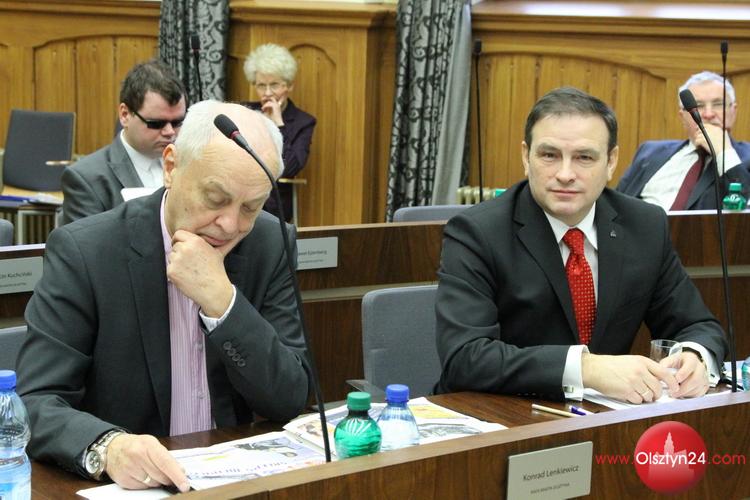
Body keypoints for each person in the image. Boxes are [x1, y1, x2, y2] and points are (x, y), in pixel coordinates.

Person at [16, 100, 311, 492]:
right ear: (171, 166)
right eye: (216, 198)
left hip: (227, 481)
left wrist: (223, 303)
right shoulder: (86, 252)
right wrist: (109, 447)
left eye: (251, 207)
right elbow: (36, 401)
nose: (230, 225)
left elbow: (289, 397)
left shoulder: (270, 243)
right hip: (131, 487)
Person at [434, 87, 727, 406]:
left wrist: (695, 356)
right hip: (501, 413)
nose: (565, 174)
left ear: (611, 161)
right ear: (526, 156)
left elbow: (697, 325)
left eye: (584, 157)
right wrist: (585, 368)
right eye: (549, 155)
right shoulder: (478, 232)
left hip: (605, 415)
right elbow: (465, 358)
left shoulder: (644, 225)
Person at [61, 59, 187, 224]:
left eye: (177, 122)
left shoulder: (191, 163)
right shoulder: (87, 178)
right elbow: (84, 240)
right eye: (156, 123)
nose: (170, 132)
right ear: (125, 115)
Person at [617, 71, 750, 210]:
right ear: (683, 117)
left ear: (733, 112)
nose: (708, 114)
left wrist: (724, 152)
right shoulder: (649, 152)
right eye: (698, 106)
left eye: (718, 104)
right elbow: (614, 203)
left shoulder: (745, 159)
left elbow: (743, 206)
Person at [243, 43, 316, 222]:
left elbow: (290, 168)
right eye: (261, 85)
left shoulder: (303, 122)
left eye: (274, 85)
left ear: (289, 86)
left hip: (275, 204)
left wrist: (278, 124)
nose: (267, 93)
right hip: (242, 195)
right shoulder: (245, 112)